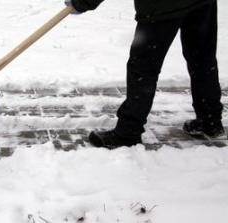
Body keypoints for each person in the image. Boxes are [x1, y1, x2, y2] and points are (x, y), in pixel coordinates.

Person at [64, 0, 225, 149]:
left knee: (143, 68)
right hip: (202, 2)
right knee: (203, 60)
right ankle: (210, 120)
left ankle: (128, 132)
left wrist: (82, 2)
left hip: (161, 5)